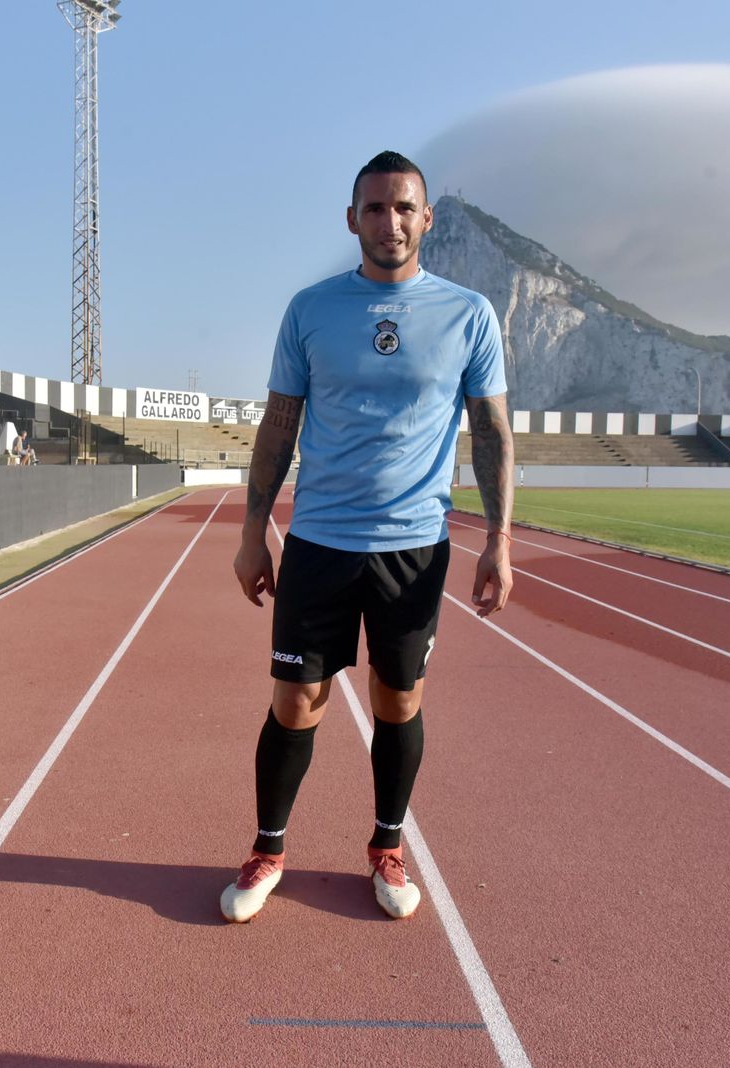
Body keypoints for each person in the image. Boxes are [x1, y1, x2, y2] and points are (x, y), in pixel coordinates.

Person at [221, 151, 515, 924]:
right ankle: (269, 848)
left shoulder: (469, 314)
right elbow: (278, 424)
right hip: (320, 541)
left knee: (399, 698)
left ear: (427, 219)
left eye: (404, 208)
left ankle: (386, 845)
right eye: (375, 208)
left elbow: (492, 433)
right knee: (295, 700)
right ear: (353, 219)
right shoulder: (310, 310)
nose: (390, 221)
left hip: (413, 549)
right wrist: (255, 531)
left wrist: (501, 540)